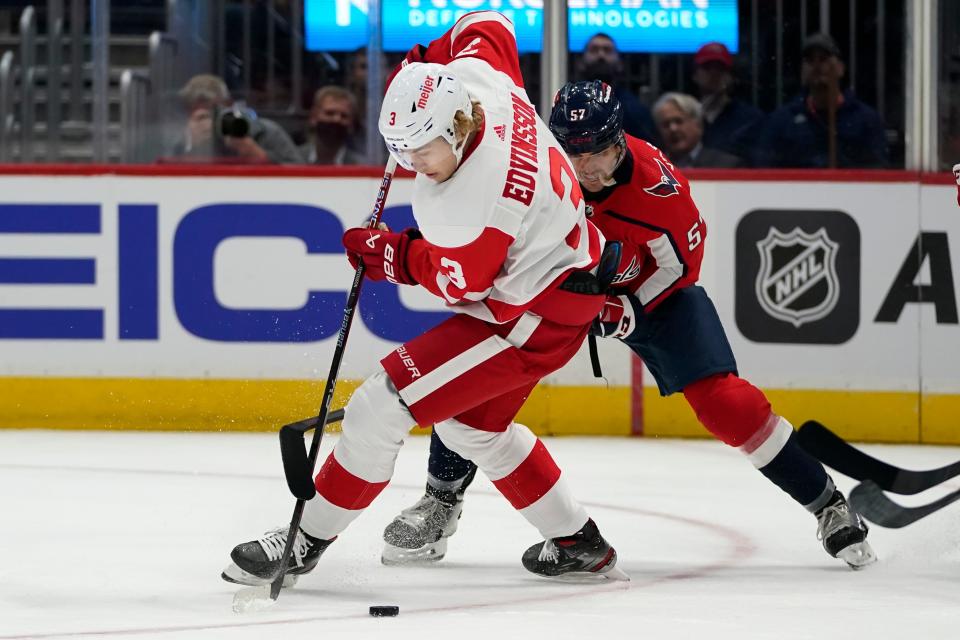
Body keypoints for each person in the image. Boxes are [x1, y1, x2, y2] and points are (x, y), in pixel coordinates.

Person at [381, 80, 877, 571]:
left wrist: (626, 310)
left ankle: (828, 503)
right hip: (554, 290)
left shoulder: (660, 189)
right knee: (476, 373)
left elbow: (681, 268)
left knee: (726, 402)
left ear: (619, 139)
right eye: (571, 153)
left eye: (598, 152)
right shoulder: (531, 165)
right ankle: (441, 502)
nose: (585, 169)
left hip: (647, 292)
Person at [222, 11, 627, 586]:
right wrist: (424, 58)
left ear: (459, 127)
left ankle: (303, 538)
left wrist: (389, 256)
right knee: (471, 431)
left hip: (530, 315)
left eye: (423, 151)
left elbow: (461, 283)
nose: (411, 163)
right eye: (400, 149)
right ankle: (579, 544)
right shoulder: (482, 82)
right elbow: (487, 23)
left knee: (378, 406)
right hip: (559, 283)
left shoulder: (476, 205)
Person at [753, 33, 888, 168]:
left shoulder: (866, 120)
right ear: (802, 71)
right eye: (810, 60)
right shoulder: (781, 121)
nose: (816, 65)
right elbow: (765, 172)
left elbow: (878, 175)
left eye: (823, 59)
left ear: (841, 68)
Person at [168, 74, 301, 164]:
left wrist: (257, 154)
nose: (209, 122)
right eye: (201, 116)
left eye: (214, 112)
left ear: (230, 105)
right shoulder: (182, 141)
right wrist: (192, 148)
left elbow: (303, 175)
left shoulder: (266, 131)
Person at [576, 33, 658, 145]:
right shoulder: (568, 103)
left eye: (607, 50)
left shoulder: (634, 110)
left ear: (620, 64)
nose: (601, 55)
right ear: (580, 63)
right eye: (594, 50)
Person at [691, 42, 765, 163]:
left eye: (720, 68)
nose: (714, 74)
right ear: (695, 74)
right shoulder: (686, 117)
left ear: (731, 75)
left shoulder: (750, 119)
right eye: (707, 67)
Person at [652, 92, 743, 168]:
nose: (673, 129)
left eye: (679, 121)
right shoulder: (652, 167)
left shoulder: (726, 165)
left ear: (698, 125)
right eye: (665, 124)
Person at [298, 86, 367, 165]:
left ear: (351, 124)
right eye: (330, 113)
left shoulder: (361, 167)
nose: (336, 119)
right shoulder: (293, 161)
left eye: (344, 116)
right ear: (313, 117)